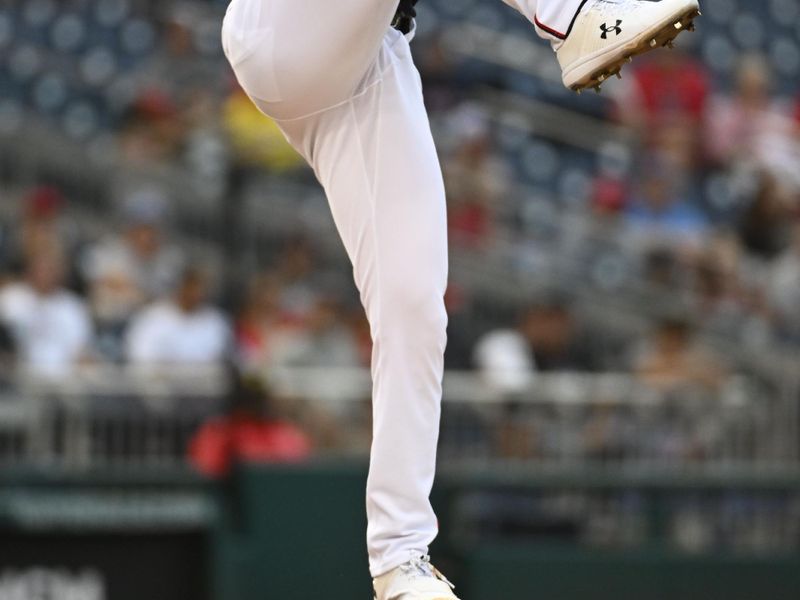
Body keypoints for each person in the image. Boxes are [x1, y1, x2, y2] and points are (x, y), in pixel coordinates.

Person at [220, 0, 700, 597]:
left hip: (366, 56)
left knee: (414, 304)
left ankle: (400, 558)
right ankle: (571, 16)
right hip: (283, 24)